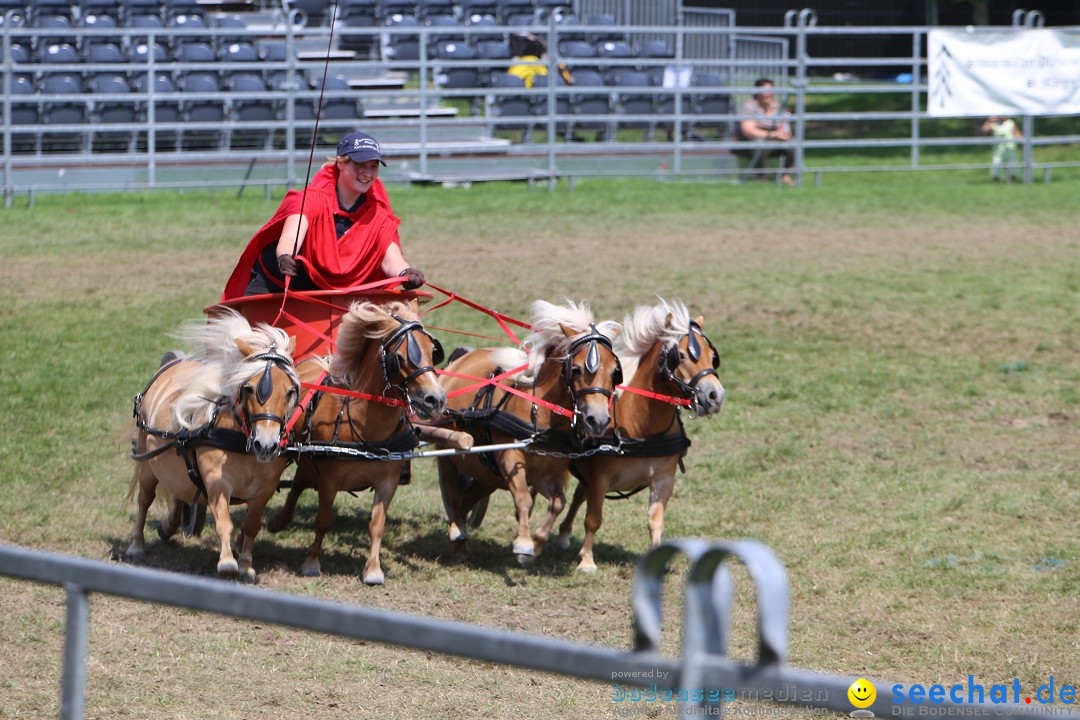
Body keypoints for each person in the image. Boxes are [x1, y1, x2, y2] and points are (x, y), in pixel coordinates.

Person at [221, 130, 425, 300]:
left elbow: (391, 260)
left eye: (373, 167)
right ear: (340, 163)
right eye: (360, 165)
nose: (367, 174)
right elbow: (291, 237)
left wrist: (406, 274)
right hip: (279, 287)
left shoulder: (379, 215)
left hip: (333, 297)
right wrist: (285, 257)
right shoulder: (310, 200)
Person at [735, 78, 794, 186]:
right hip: (751, 140)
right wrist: (771, 135)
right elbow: (748, 130)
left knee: (793, 143)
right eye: (764, 91)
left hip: (774, 140)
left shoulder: (777, 106)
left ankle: (784, 176)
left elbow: (785, 126)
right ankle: (761, 178)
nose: (767, 94)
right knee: (759, 144)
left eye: (770, 90)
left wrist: (783, 135)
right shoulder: (750, 105)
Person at [981, 116, 1021, 182]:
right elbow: (984, 130)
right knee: (996, 167)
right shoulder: (993, 123)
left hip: (1010, 148)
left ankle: (1012, 182)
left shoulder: (1010, 122)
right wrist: (989, 120)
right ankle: (996, 183)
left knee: (1012, 167)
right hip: (998, 150)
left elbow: (1018, 135)